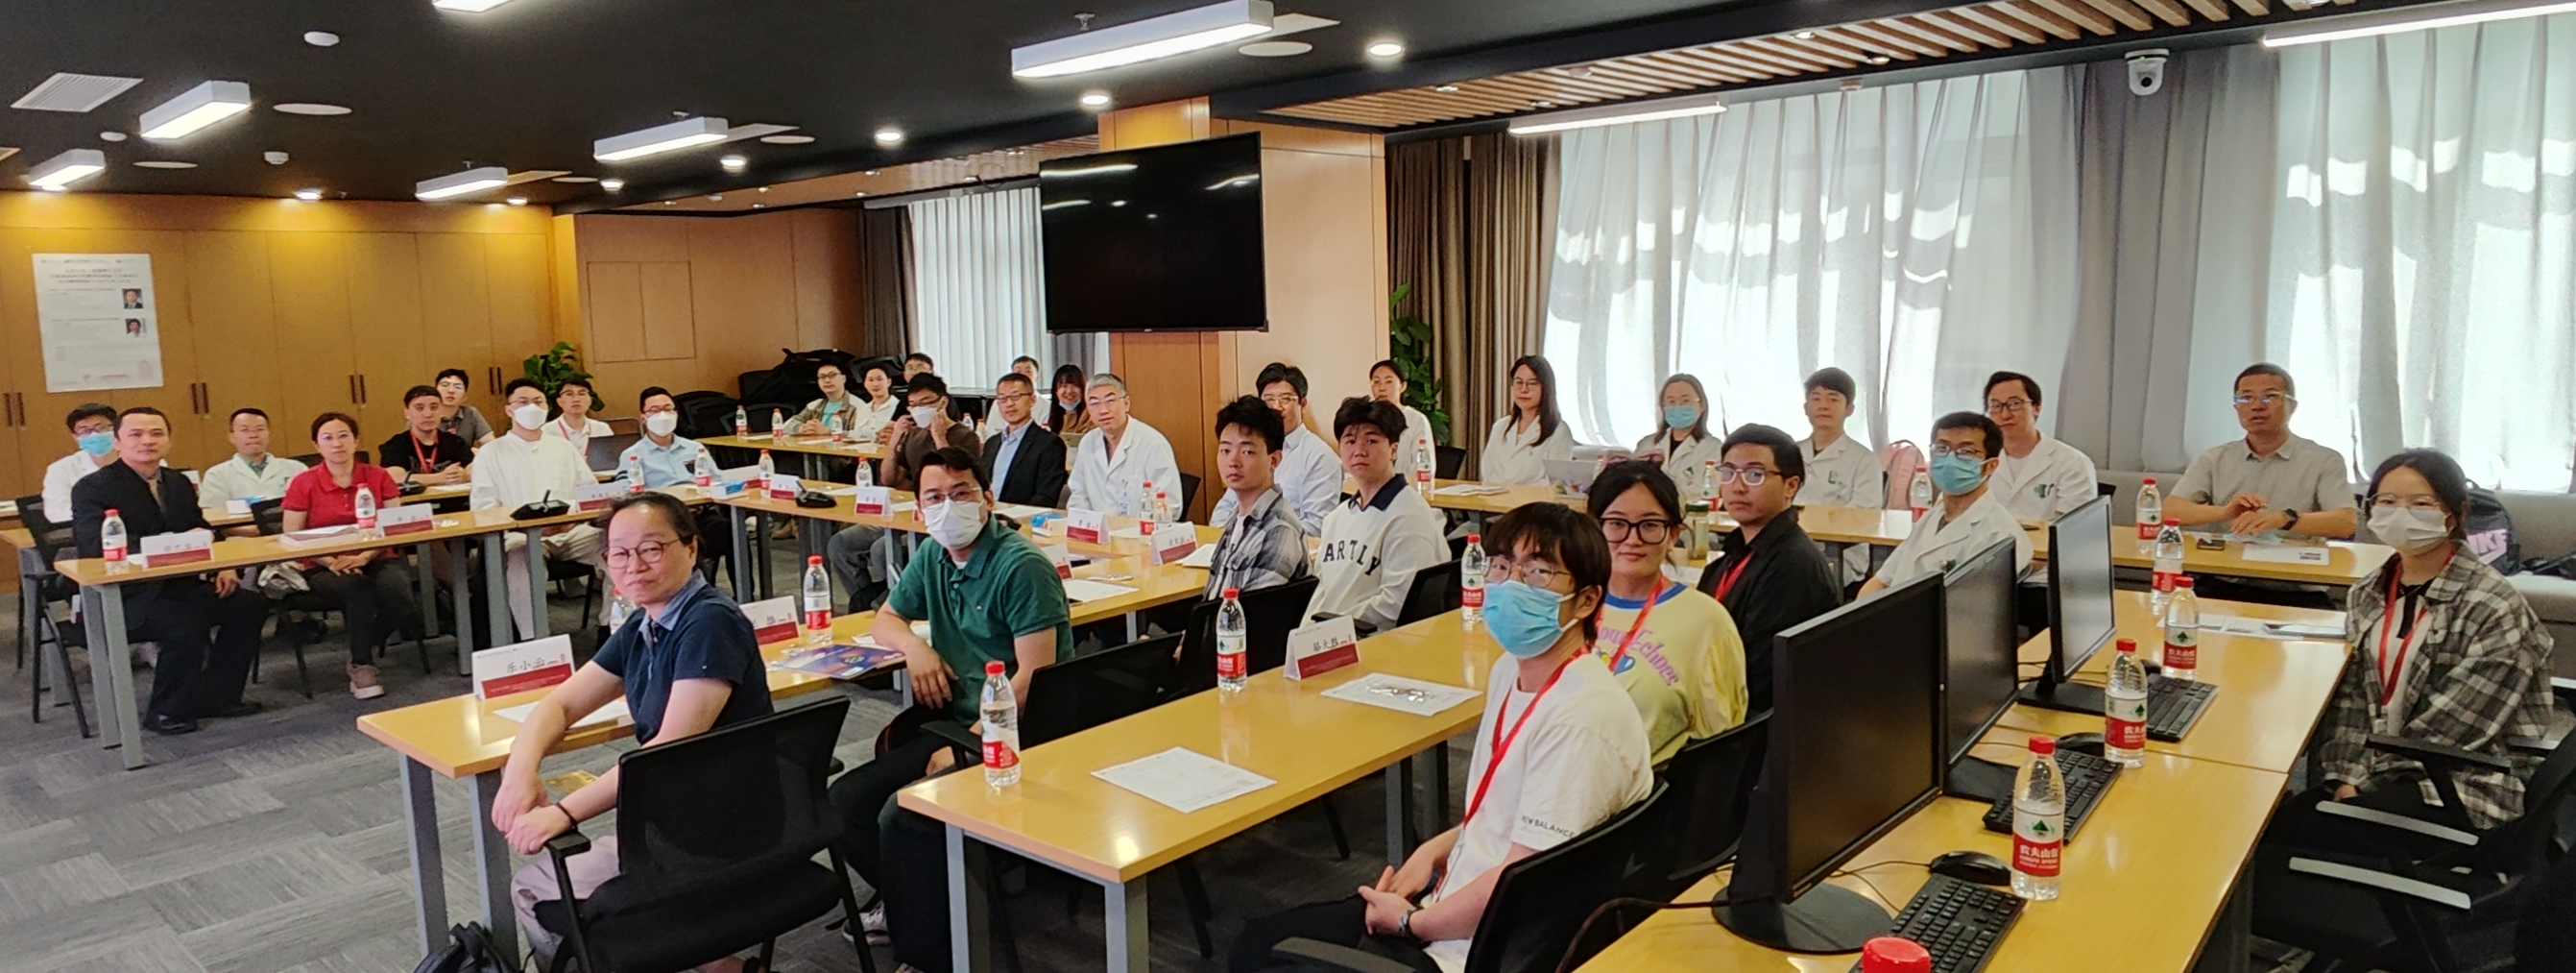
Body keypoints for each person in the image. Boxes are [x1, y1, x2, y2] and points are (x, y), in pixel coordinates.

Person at [1231, 501, 1651, 973]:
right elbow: (1504, 814)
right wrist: (1434, 850)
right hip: (1449, 900)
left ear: (1587, 600)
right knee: (1256, 941)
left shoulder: (1581, 717)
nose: (1511, 585)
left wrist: (1410, 922)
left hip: (1463, 951)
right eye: (1501, 566)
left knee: (1262, 958)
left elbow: (1523, 882)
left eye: (1538, 572)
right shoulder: (1512, 670)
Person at [493, 493, 773, 973]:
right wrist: (521, 770)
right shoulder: (648, 621)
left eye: (651, 548)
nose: (634, 565)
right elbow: (559, 704)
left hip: (714, 839)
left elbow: (665, 752)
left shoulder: (709, 621)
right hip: (687, 824)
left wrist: (562, 812)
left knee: (533, 887)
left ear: (691, 548)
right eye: (619, 553)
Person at [828, 448, 1068, 972]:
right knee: (842, 804)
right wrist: (916, 649)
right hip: (957, 723)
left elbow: (1034, 679)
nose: (948, 507)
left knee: (903, 815)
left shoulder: (1020, 565)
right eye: (934, 498)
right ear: (919, 509)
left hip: (1019, 730)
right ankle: (917, 903)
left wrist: (971, 742)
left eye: (961, 494)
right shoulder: (934, 556)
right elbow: (886, 618)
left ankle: (931, 955)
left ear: (987, 499)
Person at [70, 407, 268, 736]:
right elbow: (95, 544)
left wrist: (224, 565)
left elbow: (200, 529)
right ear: (117, 442)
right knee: (184, 623)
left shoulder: (176, 482)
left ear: (169, 441)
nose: (147, 441)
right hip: (129, 593)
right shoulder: (93, 487)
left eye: (156, 433)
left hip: (180, 585)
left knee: (249, 604)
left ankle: (218, 695)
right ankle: (165, 710)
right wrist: (170, 543)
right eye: (136, 434)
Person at [1586, 461, 1746, 762]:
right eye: (1617, 523)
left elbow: (1721, 747)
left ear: (1673, 534)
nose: (1632, 539)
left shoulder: (1706, 621)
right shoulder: (1568, 604)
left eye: (1650, 525)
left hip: (1644, 785)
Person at [1697, 424, 1844, 714]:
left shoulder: (1791, 566)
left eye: (1755, 474)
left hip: (1753, 723)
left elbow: (1761, 681)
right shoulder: (1735, 553)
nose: (1738, 486)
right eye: (1728, 472)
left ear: (1791, 486)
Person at [280, 412, 418, 699]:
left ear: (356, 440)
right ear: (317, 445)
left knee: (400, 596)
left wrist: (365, 557)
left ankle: (364, 644)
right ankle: (361, 664)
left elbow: (394, 526)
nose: (337, 444)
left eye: (344, 436)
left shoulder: (378, 476)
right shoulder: (303, 482)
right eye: (328, 438)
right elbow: (291, 534)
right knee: (358, 589)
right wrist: (330, 561)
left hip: (376, 555)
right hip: (321, 563)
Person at [828, 375, 982, 609]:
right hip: (908, 509)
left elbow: (954, 478)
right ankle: (870, 604)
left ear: (942, 402)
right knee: (841, 543)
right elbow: (888, 479)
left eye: (926, 403)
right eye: (913, 405)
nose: (919, 409)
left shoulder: (964, 436)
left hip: (943, 513)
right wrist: (895, 441)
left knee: (882, 549)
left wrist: (939, 437)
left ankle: (903, 606)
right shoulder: (914, 434)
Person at [473, 378, 607, 639]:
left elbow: (590, 493)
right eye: (523, 402)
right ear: (509, 410)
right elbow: (483, 508)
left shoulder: (563, 448)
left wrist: (570, 520)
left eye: (538, 402)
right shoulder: (490, 453)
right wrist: (530, 525)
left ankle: (613, 628)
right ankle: (533, 639)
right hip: (520, 534)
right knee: (520, 560)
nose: (532, 408)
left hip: (570, 530)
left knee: (619, 549)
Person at [2163, 363, 2360, 539]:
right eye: (2246, 398)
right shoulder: (2214, 458)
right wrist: (2226, 512)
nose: (2257, 406)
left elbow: (2346, 523)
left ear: (2292, 406)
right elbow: (2169, 511)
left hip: (2293, 565)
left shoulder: (2324, 460)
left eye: (2270, 397)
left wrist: (2283, 519)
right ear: (2236, 408)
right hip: (2225, 563)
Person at [1304, 398, 1446, 633]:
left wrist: (1332, 628)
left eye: (1371, 441)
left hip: (1367, 640)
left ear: (1393, 450)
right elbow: (1321, 590)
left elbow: (1397, 604)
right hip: (1321, 635)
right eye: (1350, 441)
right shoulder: (1336, 518)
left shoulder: (1409, 517)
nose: (1359, 451)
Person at [1858, 412, 2031, 599]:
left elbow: (1973, 610)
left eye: (1966, 452)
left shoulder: (1999, 535)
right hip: (1898, 612)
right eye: (1942, 448)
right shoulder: (1933, 516)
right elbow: (1882, 580)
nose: (1950, 459)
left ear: (1991, 466)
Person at [1204, 396, 1313, 597]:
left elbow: (1255, 611)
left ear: (1274, 460)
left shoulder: (1279, 530)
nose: (1233, 461)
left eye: (1247, 452)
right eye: (1225, 450)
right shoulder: (1237, 517)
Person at [1212, 362, 1336, 535]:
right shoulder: (1251, 450)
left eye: (1285, 399)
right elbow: (1225, 509)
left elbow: (1318, 526)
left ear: (1302, 404)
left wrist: (1260, 533)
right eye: (1268, 399)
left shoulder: (1320, 456)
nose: (1276, 407)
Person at [1796, 367, 1884, 582]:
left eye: (1833, 399)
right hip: (1790, 547)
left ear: (1849, 409)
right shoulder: (1789, 453)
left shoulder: (1864, 459)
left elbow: (1864, 515)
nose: (1824, 405)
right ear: (1806, 407)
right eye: (1816, 398)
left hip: (1841, 554)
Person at [1982, 371, 2097, 523]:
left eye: (2014, 404)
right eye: (1995, 406)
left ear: (2036, 408)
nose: (2004, 415)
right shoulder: (1979, 459)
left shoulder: (2071, 462)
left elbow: (2076, 525)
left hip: (2045, 538)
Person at [1067, 373, 1184, 518]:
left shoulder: (1152, 443)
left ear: (1127, 404)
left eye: (1110, 400)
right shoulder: (1088, 442)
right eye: (1095, 403)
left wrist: (1135, 527)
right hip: (1096, 529)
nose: (1103, 410)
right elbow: (1078, 495)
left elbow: (1169, 505)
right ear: (1089, 410)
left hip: (1140, 529)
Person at [1481, 355, 1575, 485]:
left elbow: (1557, 482)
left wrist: (1519, 493)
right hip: (1496, 496)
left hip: (1534, 498)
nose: (1524, 389)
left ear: (1546, 388)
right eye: (1518, 382)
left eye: (1532, 383)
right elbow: (1487, 472)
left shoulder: (1558, 431)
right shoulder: (1500, 426)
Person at [980, 371, 1069, 506]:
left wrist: (1009, 513)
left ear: (1032, 400)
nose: (1009, 404)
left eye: (1016, 397)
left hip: (1021, 516)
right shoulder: (992, 443)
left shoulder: (1049, 444)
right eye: (1002, 398)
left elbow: (1046, 496)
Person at [197, 407, 308, 514]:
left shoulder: (296, 468)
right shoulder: (216, 475)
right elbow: (213, 515)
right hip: (241, 527)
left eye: (260, 429)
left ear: (269, 434)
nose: (253, 435)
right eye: (245, 430)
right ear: (231, 437)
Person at [1632, 375, 1723, 487]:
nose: (1678, 407)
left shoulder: (1714, 449)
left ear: (1702, 405)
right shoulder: (1646, 445)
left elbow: (1708, 491)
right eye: (1671, 402)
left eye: (1685, 401)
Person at [41, 402, 121, 523]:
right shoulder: (61, 469)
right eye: (84, 431)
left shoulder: (138, 461)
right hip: (85, 529)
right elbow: (57, 513)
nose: (94, 435)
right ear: (75, 437)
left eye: (100, 428)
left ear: (117, 430)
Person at [380, 386, 474, 486]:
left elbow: (475, 469)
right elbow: (394, 478)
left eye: (434, 407)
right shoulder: (396, 445)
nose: (428, 414)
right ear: (407, 413)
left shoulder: (455, 442)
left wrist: (465, 476)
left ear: (442, 411)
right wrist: (440, 478)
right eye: (419, 408)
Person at [618, 386, 707, 489]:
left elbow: (716, 480)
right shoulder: (632, 455)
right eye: (655, 410)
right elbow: (626, 491)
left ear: (676, 414)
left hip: (698, 497)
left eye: (667, 409)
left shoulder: (695, 448)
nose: (663, 415)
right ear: (643, 419)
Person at [1369, 359, 1436, 460]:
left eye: (1388, 382)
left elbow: (1424, 463)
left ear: (1402, 386)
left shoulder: (1417, 420)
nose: (1381, 388)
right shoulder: (1367, 418)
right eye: (1376, 382)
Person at [788, 361, 867, 438]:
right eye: (822, 377)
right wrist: (802, 428)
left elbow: (863, 435)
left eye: (832, 375)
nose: (827, 380)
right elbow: (787, 425)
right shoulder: (814, 405)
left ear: (843, 378)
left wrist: (828, 432)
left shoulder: (857, 406)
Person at [541, 377, 610, 458]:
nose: (576, 399)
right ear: (559, 401)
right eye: (569, 394)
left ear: (590, 400)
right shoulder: (547, 431)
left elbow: (609, 458)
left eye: (582, 394)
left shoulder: (602, 429)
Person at [434, 368, 495, 445]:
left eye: (458, 387)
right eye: (445, 385)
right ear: (435, 392)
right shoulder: (426, 414)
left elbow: (491, 443)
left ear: (464, 397)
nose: (451, 391)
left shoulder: (470, 413)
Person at [848, 362, 903, 445]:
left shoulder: (899, 407)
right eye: (870, 380)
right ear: (865, 384)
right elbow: (856, 436)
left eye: (879, 379)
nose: (875, 384)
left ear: (889, 382)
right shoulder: (862, 409)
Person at [1048, 363, 1094, 441]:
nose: (1069, 391)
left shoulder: (1090, 416)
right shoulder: (1052, 415)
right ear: (1055, 390)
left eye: (1075, 385)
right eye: (1064, 386)